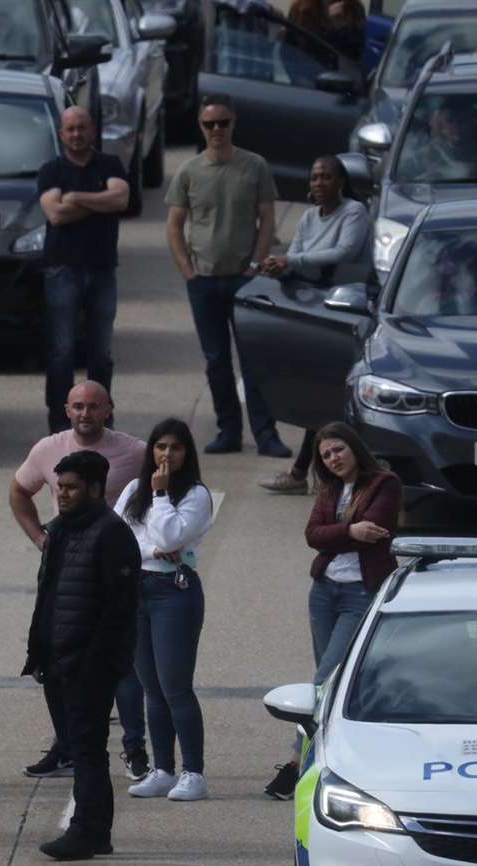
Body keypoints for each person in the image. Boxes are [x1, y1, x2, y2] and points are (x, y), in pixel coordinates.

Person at [9, 381, 148, 780]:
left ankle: (134, 747)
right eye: (77, 407)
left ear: (109, 410)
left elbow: (166, 492)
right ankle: (66, 745)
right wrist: (39, 538)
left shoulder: (136, 452)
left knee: (118, 660)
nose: (85, 414)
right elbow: (19, 492)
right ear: (66, 410)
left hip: (113, 565)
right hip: (64, 565)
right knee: (56, 656)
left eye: (93, 406)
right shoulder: (47, 449)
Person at [265, 422, 402, 799]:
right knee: (327, 685)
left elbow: (377, 527)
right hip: (323, 593)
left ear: (354, 447)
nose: (333, 458)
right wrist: (352, 531)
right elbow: (312, 536)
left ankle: (296, 766)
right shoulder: (328, 489)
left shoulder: (384, 483)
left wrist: (342, 531)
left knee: (321, 685)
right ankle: (326, 758)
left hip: (359, 594)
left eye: (338, 449)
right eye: (326, 455)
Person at [23, 451, 140, 861]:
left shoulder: (112, 535)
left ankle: (85, 830)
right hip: (57, 662)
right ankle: (97, 832)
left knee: (87, 749)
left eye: (72, 488)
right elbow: (49, 598)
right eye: (60, 488)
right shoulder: (59, 531)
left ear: (95, 488)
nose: (64, 495)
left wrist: (96, 665)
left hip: (88, 666)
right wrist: (38, 651)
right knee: (79, 746)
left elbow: (118, 611)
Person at [165, 94, 287, 458]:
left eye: (223, 123)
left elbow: (268, 218)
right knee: (217, 359)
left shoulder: (255, 166)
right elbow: (174, 226)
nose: (217, 130)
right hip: (204, 281)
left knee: (253, 359)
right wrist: (188, 271)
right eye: (209, 124)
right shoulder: (189, 171)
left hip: (244, 279)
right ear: (201, 127)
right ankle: (228, 431)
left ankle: (267, 435)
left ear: (233, 124)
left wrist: (256, 264)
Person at [113, 420, 216, 802]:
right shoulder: (133, 489)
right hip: (136, 589)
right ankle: (163, 768)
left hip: (174, 590)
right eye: (160, 446)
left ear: (186, 453)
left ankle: (193, 772)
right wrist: (151, 551)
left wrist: (160, 498)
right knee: (150, 687)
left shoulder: (195, 495)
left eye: (175, 447)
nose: (166, 454)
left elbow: (172, 537)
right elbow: (121, 538)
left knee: (175, 685)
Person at [258, 156, 370, 496]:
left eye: (326, 177)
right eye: (314, 177)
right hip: (314, 309)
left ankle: (310, 472)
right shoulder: (308, 216)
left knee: (339, 394)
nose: (318, 183)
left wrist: (291, 260)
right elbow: (299, 254)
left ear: (340, 181)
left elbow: (343, 251)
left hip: (348, 308)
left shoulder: (354, 212)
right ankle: (309, 472)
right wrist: (281, 267)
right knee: (319, 393)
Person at [37, 107, 131, 434]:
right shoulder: (51, 170)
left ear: (92, 131)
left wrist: (76, 196)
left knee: (101, 354)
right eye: (70, 129)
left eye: (82, 128)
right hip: (62, 271)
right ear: (61, 134)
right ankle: (60, 424)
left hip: (103, 270)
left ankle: (101, 419)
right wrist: (98, 203)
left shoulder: (110, 164)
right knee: (61, 353)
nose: (76, 134)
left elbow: (121, 199)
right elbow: (56, 215)